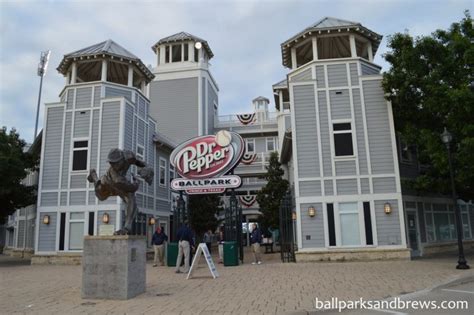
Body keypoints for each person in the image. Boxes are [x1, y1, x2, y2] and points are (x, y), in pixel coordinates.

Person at [87, 148, 153, 235]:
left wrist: (147, 169)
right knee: (101, 196)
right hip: (108, 184)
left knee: (131, 198)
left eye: (115, 163)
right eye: (111, 163)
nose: (113, 166)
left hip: (120, 184)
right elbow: (132, 187)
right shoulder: (116, 178)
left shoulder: (128, 155)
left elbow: (138, 162)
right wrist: (137, 181)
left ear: (122, 159)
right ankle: (94, 176)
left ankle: (127, 227)